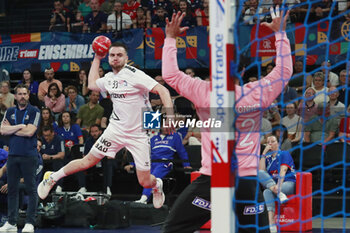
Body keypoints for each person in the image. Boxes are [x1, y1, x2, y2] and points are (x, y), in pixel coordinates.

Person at [161, 9, 292, 232]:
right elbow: (284, 72)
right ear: (242, 70)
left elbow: (170, 75)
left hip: (213, 180)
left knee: (173, 229)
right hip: (246, 182)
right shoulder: (257, 93)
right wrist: (280, 34)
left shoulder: (204, 91)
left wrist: (170, 39)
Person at [37, 40, 175, 210]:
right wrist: (96, 57)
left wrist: (169, 116)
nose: (115, 58)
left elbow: (163, 91)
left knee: (144, 181)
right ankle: (51, 177)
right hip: (115, 130)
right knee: (87, 161)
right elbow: (92, 84)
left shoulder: (135, 75)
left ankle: (157, 185)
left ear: (126, 57)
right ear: (108, 58)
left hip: (139, 133)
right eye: (112, 55)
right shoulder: (109, 78)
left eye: (119, 55)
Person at [0, 84, 40, 233]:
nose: (22, 96)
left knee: (31, 189)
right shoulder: (10, 111)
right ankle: (11, 222)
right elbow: (2, 130)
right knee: (12, 189)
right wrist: (21, 126)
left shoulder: (34, 111)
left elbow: (30, 132)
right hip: (13, 155)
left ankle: (30, 222)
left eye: (25, 93)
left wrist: (13, 128)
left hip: (29, 155)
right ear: (15, 96)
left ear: (28, 95)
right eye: (20, 94)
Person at [135, 127, 192, 204]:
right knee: (145, 176)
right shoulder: (153, 138)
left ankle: (144, 198)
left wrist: (186, 164)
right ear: (160, 126)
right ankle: (155, 189)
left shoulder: (175, 136)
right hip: (152, 163)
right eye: (164, 125)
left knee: (152, 176)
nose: (166, 128)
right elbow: (144, 153)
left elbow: (182, 151)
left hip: (165, 163)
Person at [258, 135, 296, 233]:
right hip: (274, 187)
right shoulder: (268, 157)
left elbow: (283, 171)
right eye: (268, 142)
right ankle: (271, 224)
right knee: (266, 190)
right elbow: (261, 171)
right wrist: (264, 153)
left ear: (278, 143)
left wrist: (278, 188)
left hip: (288, 183)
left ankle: (278, 192)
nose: (270, 143)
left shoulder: (284, 153)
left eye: (273, 141)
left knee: (268, 190)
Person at [41, 126, 65, 192]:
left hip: (55, 159)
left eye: (48, 135)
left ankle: (59, 186)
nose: (46, 138)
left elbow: (62, 154)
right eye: (44, 135)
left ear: (53, 133)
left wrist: (50, 157)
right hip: (44, 161)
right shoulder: (41, 139)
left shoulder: (59, 139)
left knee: (58, 163)